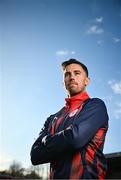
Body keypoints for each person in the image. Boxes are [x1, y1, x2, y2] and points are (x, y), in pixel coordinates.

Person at [30, 59, 109, 179]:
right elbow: (35, 156)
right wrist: (65, 140)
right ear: (63, 83)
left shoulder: (95, 105)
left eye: (77, 73)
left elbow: (75, 138)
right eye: (67, 74)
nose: (72, 77)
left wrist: (46, 140)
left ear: (86, 80)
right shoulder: (52, 119)